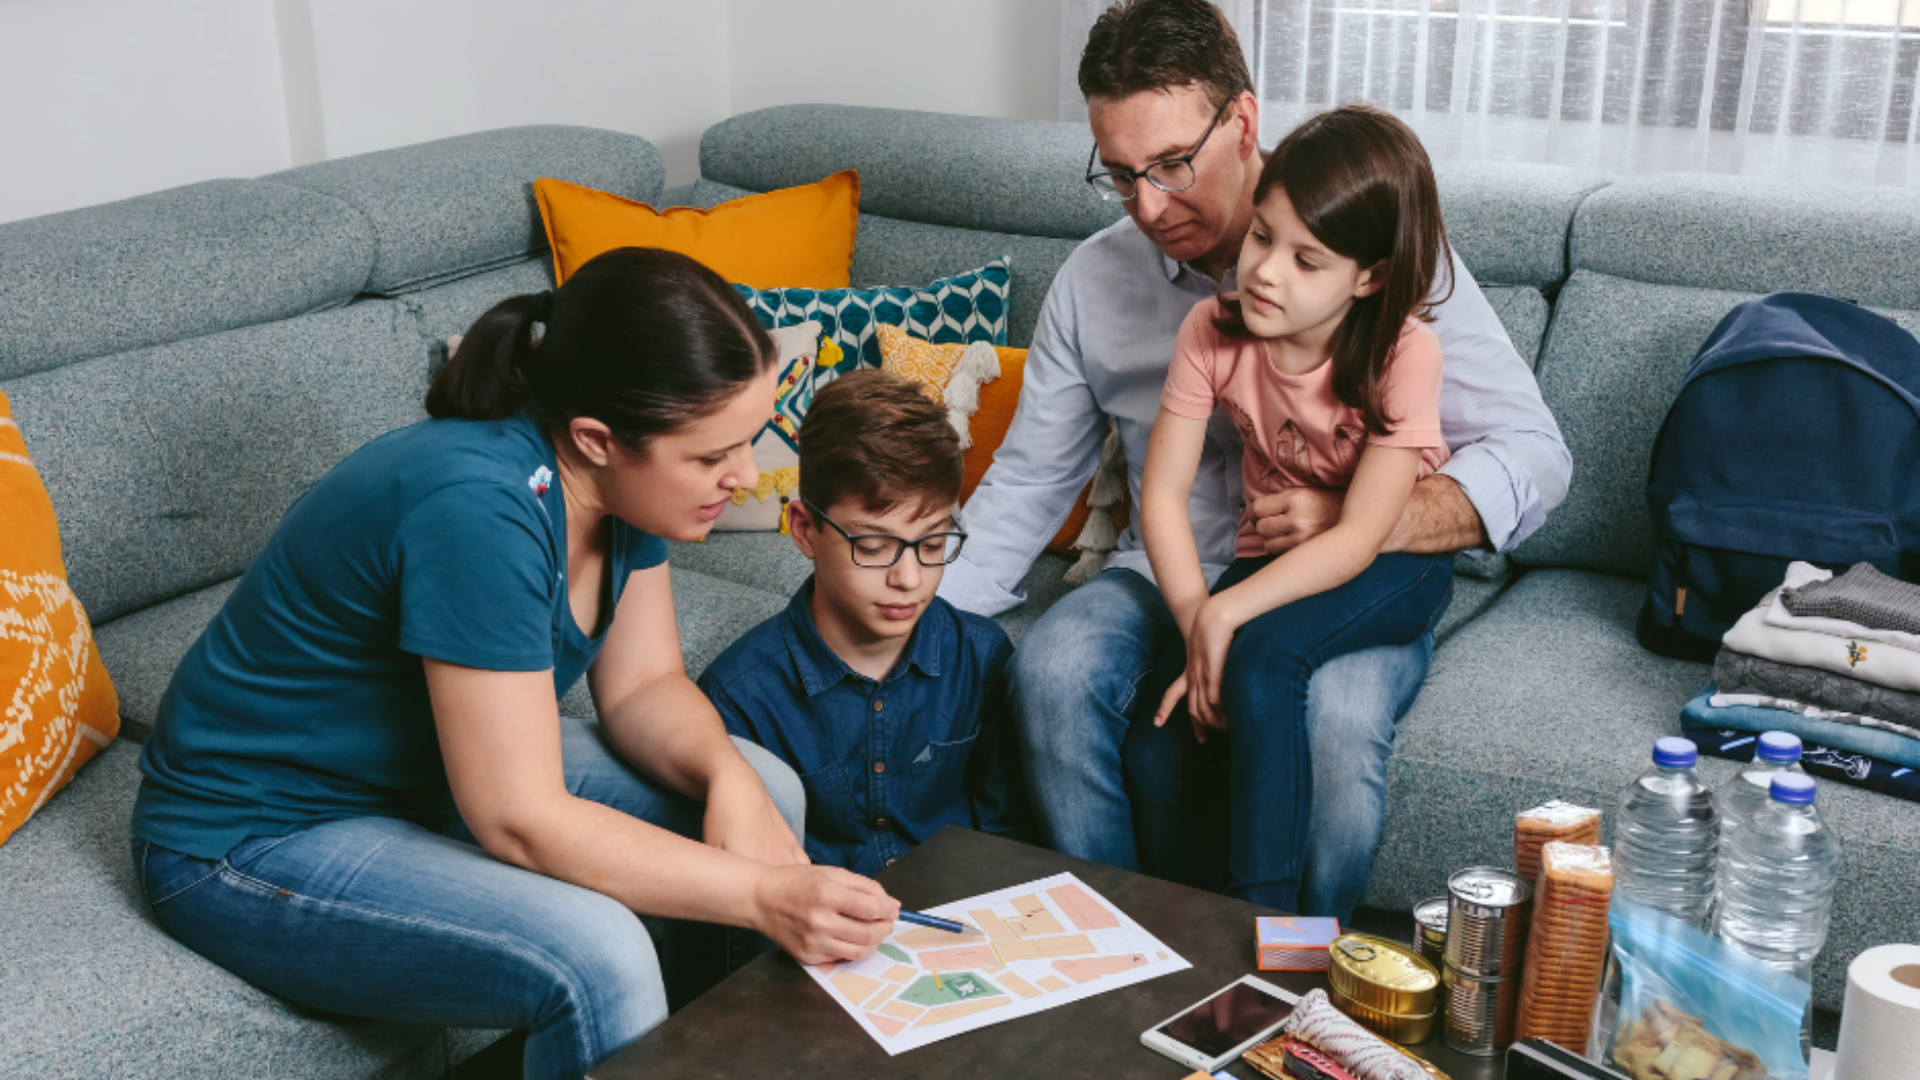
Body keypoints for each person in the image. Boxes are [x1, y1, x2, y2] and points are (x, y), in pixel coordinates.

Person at [129, 247, 901, 1080]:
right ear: (597, 439)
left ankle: (720, 1058)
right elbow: (519, 817)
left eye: (746, 442)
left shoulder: (624, 490)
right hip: (251, 835)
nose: (746, 478)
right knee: (599, 954)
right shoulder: (477, 509)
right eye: (713, 457)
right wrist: (761, 895)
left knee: (764, 785)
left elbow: (644, 686)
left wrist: (729, 780)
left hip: (420, 773)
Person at [937, 0, 1571, 920]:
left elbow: (1536, 456)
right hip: (1166, 571)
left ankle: (1295, 980)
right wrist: (912, 622)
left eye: (1170, 166)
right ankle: (1129, 953)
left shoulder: (1377, 253)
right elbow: (1032, 481)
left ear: (1243, 122)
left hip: (1335, 574)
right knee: (1052, 671)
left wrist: (1370, 518)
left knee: (1336, 721)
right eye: (1119, 176)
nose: (1148, 205)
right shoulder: (1096, 283)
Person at [1137, 105, 1455, 911]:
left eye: (1307, 260)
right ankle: (1191, 927)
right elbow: (1163, 496)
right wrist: (1194, 620)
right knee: (1168, 723)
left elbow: (1355, 541)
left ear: (1370, 276)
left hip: (1391, 563)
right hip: (1270, 555)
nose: (1268, 272)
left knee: (1266, 660)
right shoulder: (1212, 329)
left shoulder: (1402, 351)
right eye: (1262, 238)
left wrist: (1227, 618)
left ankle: (1267, 936)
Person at [701, 370, 1027, 876]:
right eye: (873, 547)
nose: (909, 578)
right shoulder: (738, 697)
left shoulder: (982, 657)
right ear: (806, 530)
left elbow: (1006, 836)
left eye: (934, 544)